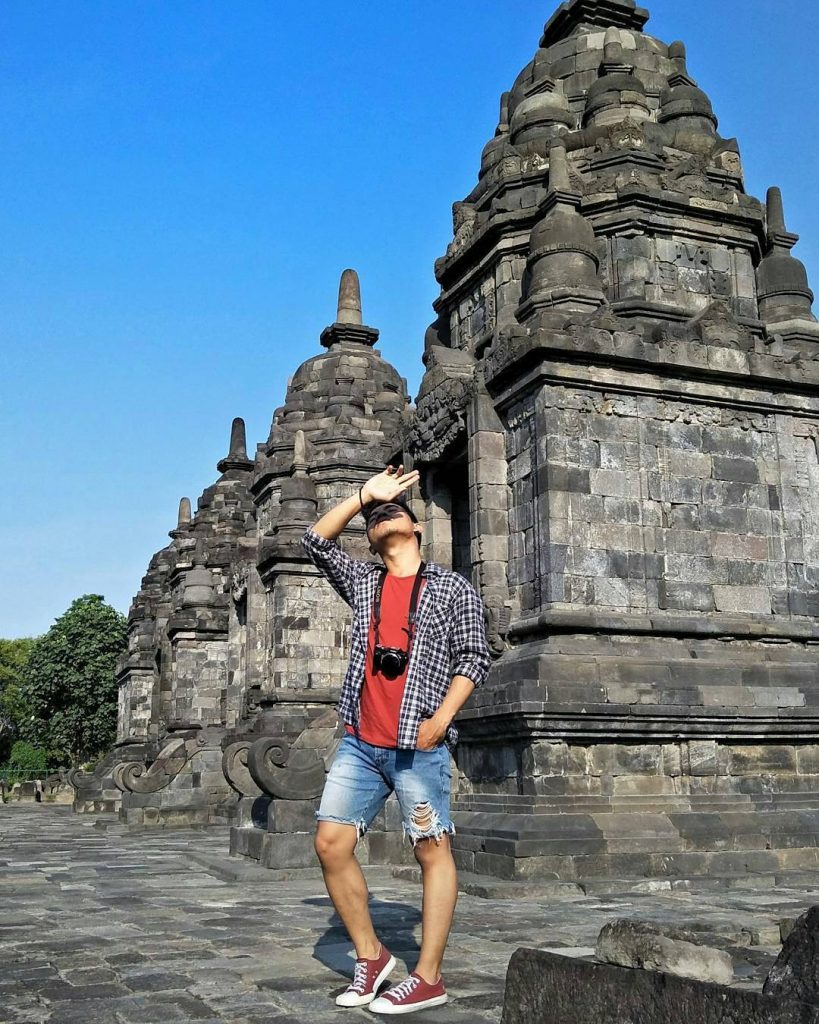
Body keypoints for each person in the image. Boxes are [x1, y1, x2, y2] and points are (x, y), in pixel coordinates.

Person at [300, 463, 491, 1015]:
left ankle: (429, 976)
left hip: (418, 742)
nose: (385, 517)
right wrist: (365, 495)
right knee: (330, 844)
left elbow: (474, 657)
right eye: (376, 518)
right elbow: (315, 541)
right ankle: (372, 956)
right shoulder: (363, 581)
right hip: (361, 740)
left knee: (432, 850)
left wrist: (442, 718)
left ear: (419, 528)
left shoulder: (452, 588)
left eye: (395, 511)